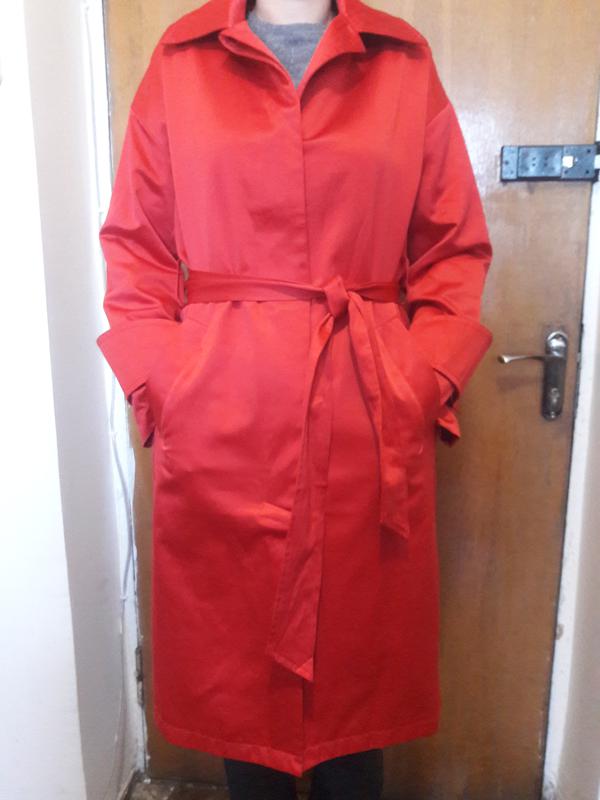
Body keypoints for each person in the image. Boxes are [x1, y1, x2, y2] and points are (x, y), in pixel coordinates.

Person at [96, 0, 494, 796]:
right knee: (241, 693)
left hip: (366, 416)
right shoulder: (180, 60)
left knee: (357, 693)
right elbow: (136, 253)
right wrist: (169, 383)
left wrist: (421, 380)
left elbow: (454, 249)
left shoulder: (402, 59)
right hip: (221, 420)